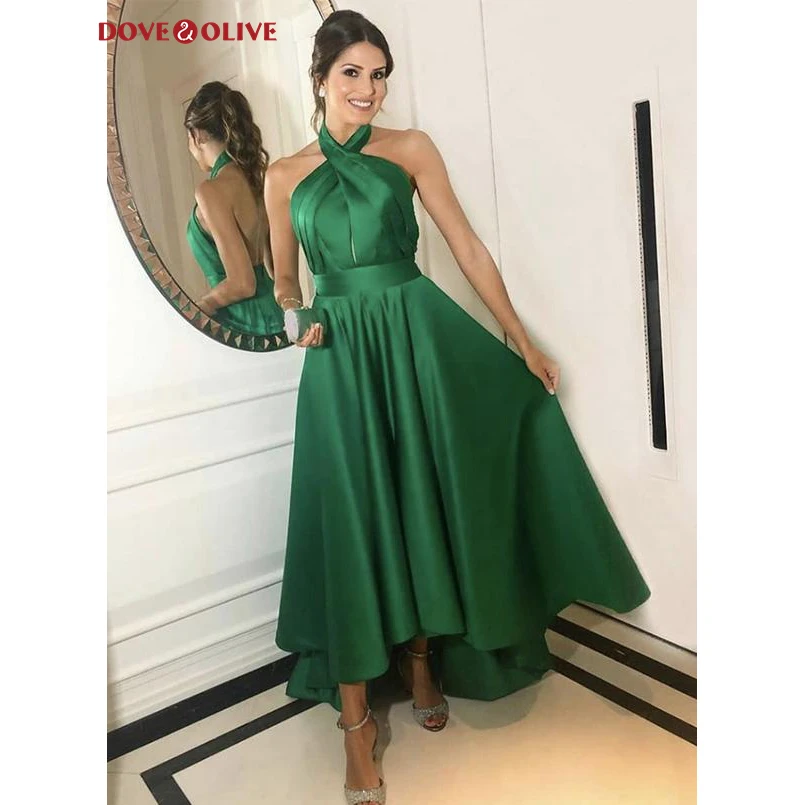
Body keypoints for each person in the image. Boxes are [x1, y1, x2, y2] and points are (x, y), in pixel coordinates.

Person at [265, 10, 650, 805]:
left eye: (378, 74)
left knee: (419, 500)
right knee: (354, 517)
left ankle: (419, 661)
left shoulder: (410, 149)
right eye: (351, 73)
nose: (368, 88)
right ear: (320, 78)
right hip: (339, 362)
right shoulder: (283, 175)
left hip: (416, 340)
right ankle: (354, 723)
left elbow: (467, 247)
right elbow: (283, 284)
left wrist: (520, 339)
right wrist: (296, 321)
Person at [185, 81, 285, 337]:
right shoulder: (255, 180)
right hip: (277, 315)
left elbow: (242, 283)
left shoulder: (210, 191)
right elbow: (274, 269)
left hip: (242, 324)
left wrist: (199, 307)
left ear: (198, 135)